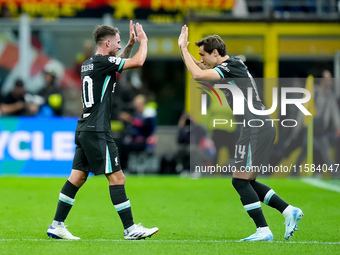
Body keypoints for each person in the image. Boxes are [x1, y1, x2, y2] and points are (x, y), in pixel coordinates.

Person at [178, 25, 303, 241]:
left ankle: (263, 230)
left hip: (256, 127)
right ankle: (288, 210)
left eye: (204, 54)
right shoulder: (232, 64)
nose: (201, 58)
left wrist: (182, 48)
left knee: (239, 181)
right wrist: (190, 54)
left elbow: (198, 74)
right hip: (255, 126)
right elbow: (201, 68)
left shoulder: (228, 67)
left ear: (215, 53)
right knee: (248, 181)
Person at [47, 20, 158, 240]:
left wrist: (129, 46)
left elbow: (115, 62)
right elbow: (137, 62)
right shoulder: (103, 62)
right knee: (118, 178)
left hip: (85, 127)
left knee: (77, 178)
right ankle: (130, 229)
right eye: (118, 42)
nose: (119, 45)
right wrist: (143, 42)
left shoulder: (89, 63)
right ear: (107, 42)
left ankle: (57, 225)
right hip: (97, 131)